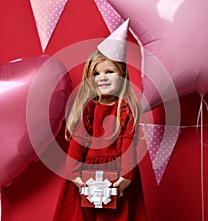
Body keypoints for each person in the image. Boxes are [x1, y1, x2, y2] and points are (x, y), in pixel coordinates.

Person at [53, 19, 147, 221]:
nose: (101, 78)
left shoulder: (126, 108)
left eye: (109, 72)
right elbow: (79, 140)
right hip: (86, 176)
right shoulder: (88, 107)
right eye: (96, 73)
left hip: (117, 176)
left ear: (121, 74)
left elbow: (128, 143)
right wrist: (74, 174)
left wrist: (126, 175)